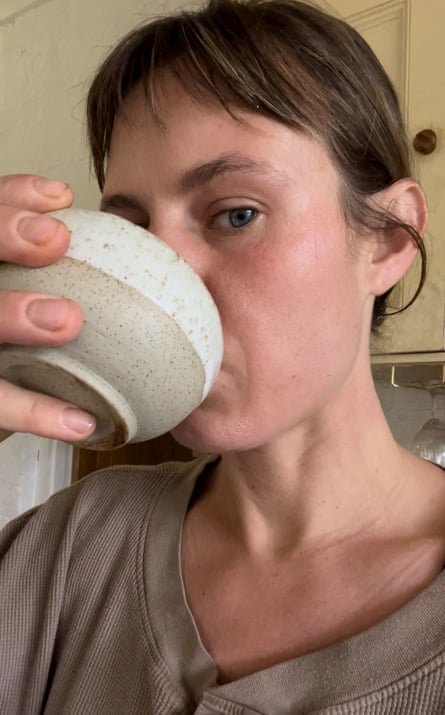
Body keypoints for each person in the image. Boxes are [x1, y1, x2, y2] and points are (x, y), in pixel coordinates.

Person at [1, 0, 444, 712]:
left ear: (389, 239)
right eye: (135, 230)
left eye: (236, 213)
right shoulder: (63, 549)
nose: (164, 279)